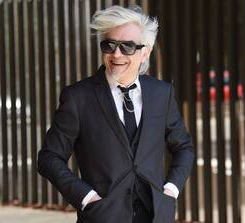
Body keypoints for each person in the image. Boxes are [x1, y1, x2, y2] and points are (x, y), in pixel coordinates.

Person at [37, 5, 194, 223]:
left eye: (127, 47)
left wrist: (171, 190)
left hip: (157, 216)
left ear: (145, 52)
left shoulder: (162, 93)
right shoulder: (78, 97)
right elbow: (49, 157)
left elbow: (183, 147)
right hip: (103, 216)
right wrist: (86, 197)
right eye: (109, 45)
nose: (116, 54)